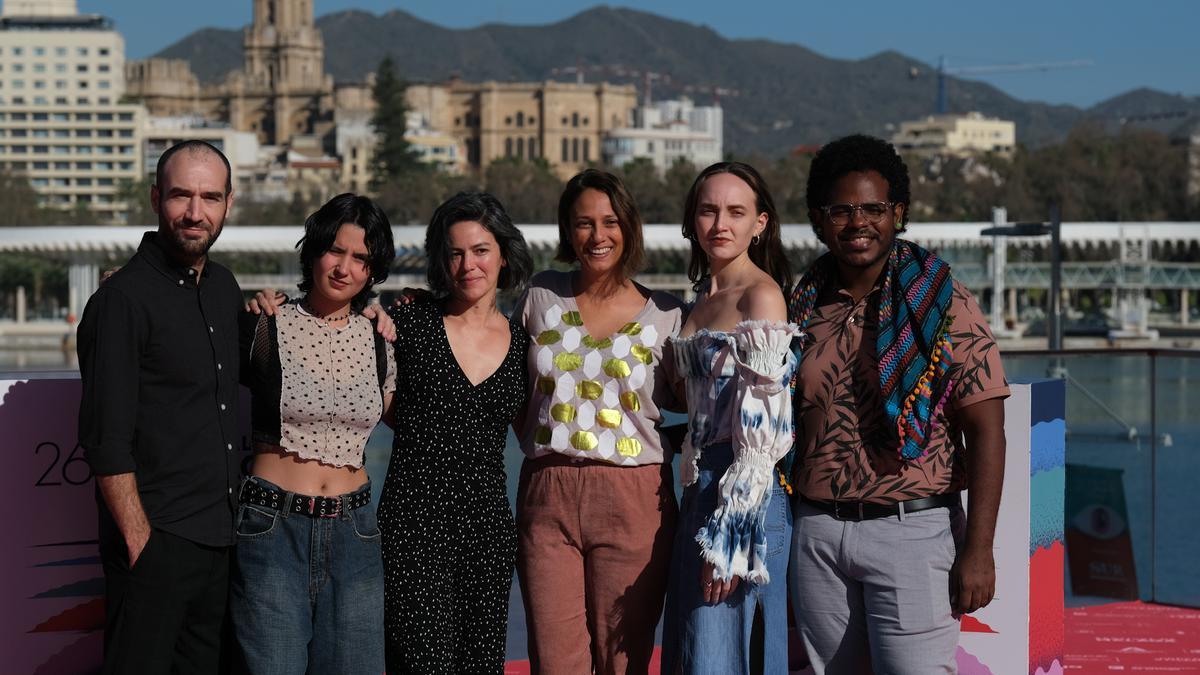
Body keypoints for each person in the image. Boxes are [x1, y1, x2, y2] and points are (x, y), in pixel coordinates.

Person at [787, 134, 1009, 674]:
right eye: (841, 210)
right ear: (819, 219)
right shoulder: (801, 301)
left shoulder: (942, 301)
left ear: (899, 212)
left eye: (873, 208)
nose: (858, 222)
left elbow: (986, 430)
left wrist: (979, 549)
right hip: (818, 534)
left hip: (911, 531)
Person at [512, 169, 685, 673]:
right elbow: (499, 373)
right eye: (583, 223)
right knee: (554, 662)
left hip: (634, 499)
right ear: (568, 230)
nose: (597, 235)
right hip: (547, 493)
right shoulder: (540, 297)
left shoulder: (668, 315)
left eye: (610, 221)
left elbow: (701, 404)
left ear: (629, 228)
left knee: (622, 661)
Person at [78, 140, 240, 674]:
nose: (196, 212)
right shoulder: (121, 300)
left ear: (228, 204)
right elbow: (105, 438)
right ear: (155, 198)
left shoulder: (223, 287)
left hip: (222, 543)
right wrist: (140, 543)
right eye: (180, 195)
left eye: (210, 197)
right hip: (155, 545)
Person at [230, 193, 396, 674]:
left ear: (371, 271)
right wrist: (121, 285)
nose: (344, 267)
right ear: (314, 251)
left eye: (360, 258)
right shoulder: (265, 323)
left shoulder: (380, 339)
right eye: (335, 251)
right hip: (272, 528)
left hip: (356, 533)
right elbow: (188, 338)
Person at [378, 192, 534, 673]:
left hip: (487, 532)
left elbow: (532, 434)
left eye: (481, 250)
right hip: (413, 528)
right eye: (455, 252)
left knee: (481, 664)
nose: (469, 264)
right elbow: (379, 408)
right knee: (422, 664)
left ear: (503, 254)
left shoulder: (523, 345)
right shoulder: (408, 323)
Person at [662, 162, 798, 674]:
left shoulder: (760, 296)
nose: (721, 223)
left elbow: (764, 432)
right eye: (709, 210)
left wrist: (732, 538)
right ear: (693, 221)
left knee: (722, 660)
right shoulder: (702, 300)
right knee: (697, 656)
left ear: (760, 223)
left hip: (744, 500)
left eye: (736, 212)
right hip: (699, 497)